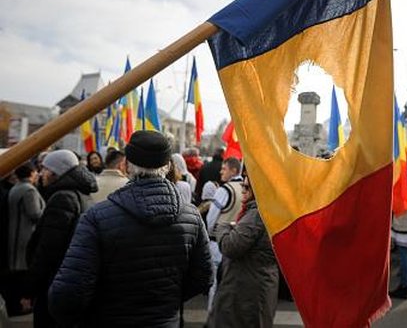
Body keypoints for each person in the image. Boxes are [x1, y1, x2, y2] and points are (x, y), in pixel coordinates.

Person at [48, 130, 213, 327]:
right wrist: (166, 301)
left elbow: (66, 294)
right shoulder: (192, 217)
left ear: (125, 166)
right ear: (168, 166)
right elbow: (203, 277)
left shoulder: (96, 217)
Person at [24, 150, 97, 327]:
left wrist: (30, 288)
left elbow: (48, 249)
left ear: (56, 172)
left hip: (54, 281)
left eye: (45, 169)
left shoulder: (62, 198)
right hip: (70, 281)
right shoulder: (81, 194)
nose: (41, 174)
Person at [207, 174, 279, 327]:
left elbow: (230, 246)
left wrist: (223, 227)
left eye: (246, 187)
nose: (243, 191)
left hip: (248, 293)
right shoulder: (261, 210)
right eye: (242, 186)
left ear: (257, 190)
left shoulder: (256, 214)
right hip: (251, 289)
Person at [205, 157, 244, 310]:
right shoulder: (246, 187)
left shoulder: (224, 190)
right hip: (239, 244)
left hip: (219, 245)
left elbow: (211, 218)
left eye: (224, 169)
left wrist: (210, 235)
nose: (221, 172)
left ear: (233, 170)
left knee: (215, 286)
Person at [7, 163, 44, 271]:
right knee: (23, 264)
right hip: (26, 232)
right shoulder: (29, 190)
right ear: (31, 173)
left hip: (15, 231)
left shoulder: (16, 187)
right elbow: (35, 213)